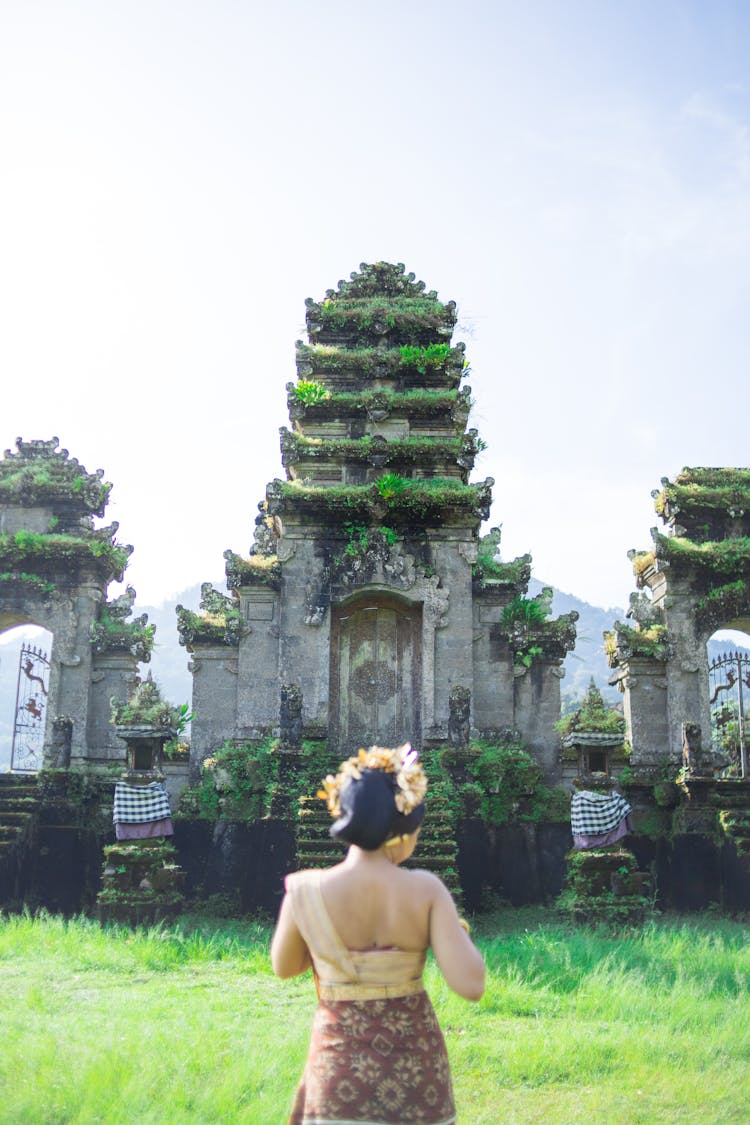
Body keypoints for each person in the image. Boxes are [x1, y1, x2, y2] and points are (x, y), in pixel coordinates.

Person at [271, 743, 485, 1125]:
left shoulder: (304, 891)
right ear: (403, 829)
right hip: (417, 1078)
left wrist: (330, 944)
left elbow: (286, 967)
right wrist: (455, 932)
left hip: (339, 1076)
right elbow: (471, 984)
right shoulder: (425, 891)